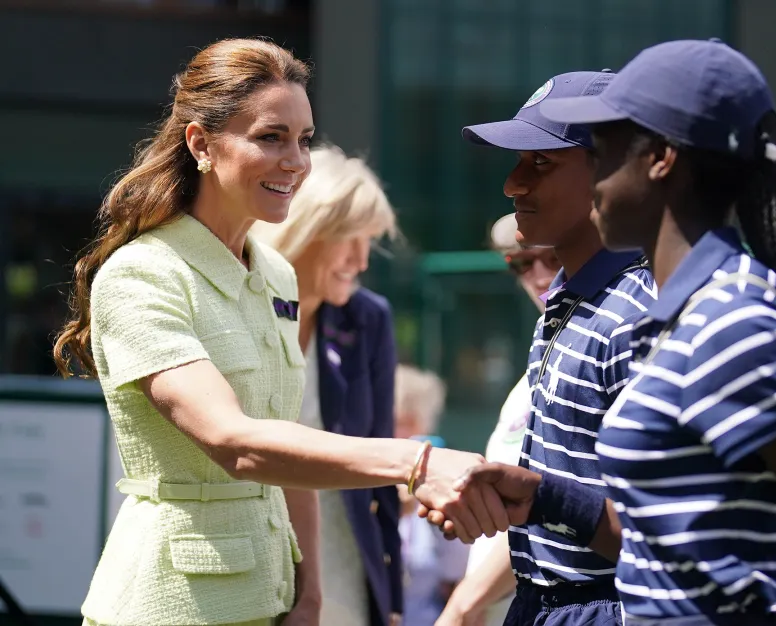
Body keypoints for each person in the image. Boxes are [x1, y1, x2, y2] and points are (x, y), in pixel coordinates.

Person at [51, 38, 507, 626]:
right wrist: (416, 462)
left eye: (304, 139)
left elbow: (285, 445)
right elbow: (235, 442)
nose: (296, 160)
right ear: (200, 144)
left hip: (275, 596)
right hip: (170, 603)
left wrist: (310, 592)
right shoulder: (142, 273)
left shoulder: (277, 275)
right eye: (271, 136)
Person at [444, 39, 776, 626]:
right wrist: (543, 497)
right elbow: (672, 541)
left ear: (660, 159)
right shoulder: (683, 314)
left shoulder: (732, 318)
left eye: (604, 151)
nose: (595, 177)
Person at [452, 71, 658, 626]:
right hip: (543, 599)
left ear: (613, 170)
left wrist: (541, 498)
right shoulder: (569, 299)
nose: (512, 184)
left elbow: (666, 537)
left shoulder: (639, 314)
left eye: (540, 162)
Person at [251, 145, 403, 626]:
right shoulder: (243, 300)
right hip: (249, 546)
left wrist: (392, 593)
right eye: (350, 239)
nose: (361, 261)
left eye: (370, 242)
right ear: (308, 228)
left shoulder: (369, 319)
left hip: (343, 554)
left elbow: (382, 461)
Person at [437, 213, 561, 626]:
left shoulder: (598, 348)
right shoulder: (542, 355)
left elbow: (562, 504)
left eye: (554, 258)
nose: (539, 277)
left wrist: (463, 605)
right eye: (523, 263)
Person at [393, 364, 471, 625]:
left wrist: (433, 511)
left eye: (407, 423)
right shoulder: (356, 488)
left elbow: (456, 573)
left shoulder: (436, 490)